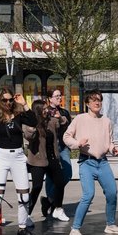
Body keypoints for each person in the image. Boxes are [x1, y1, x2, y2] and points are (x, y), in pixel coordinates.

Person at [62, 90, 118, 235]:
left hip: (103, 162)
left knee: (112, 193)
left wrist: (113, 149)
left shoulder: (106, 121)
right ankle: (75, 230)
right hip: (87, 162)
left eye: (99, 100)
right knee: (88, 195)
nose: (97, 103)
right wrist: (78, 143)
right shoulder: (80, 119)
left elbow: (109, 141)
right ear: (87, 103)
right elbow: (66, 136)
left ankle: (110, 225)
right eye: (94, 100)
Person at [0, 88, 37, 235]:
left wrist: (24, 104)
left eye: (10, 99)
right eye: (4, 100)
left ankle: (22, 228)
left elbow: (33, 121)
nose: (8, 102)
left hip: (18, 156)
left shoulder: (19, 115)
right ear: (0, 101)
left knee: (24, 196)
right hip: (2, 156)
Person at [23, 99, 68, 223]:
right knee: (37, 186)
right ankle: (26, 214)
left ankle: (58, 209)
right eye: (43, 109)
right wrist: (33, 125)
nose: (46, 110)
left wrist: (60, 117)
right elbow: (28, 136)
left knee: (60, 182)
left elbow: (63, 124)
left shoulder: (50, 121)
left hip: (52, 157)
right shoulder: (31, 123)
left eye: (46, 108)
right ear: (38, 111)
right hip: (37, 160)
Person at [43, 88, 73, 219]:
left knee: (67, 173)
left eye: (60, 96)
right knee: (51, 176)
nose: (59, 98)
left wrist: (61, 118)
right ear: (50, 98)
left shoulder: (64, 112)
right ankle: (53, 202)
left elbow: (70, 128)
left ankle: (49, 199)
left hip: (63, 146)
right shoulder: (45, 111)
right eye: (56, 96)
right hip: (50, 147)